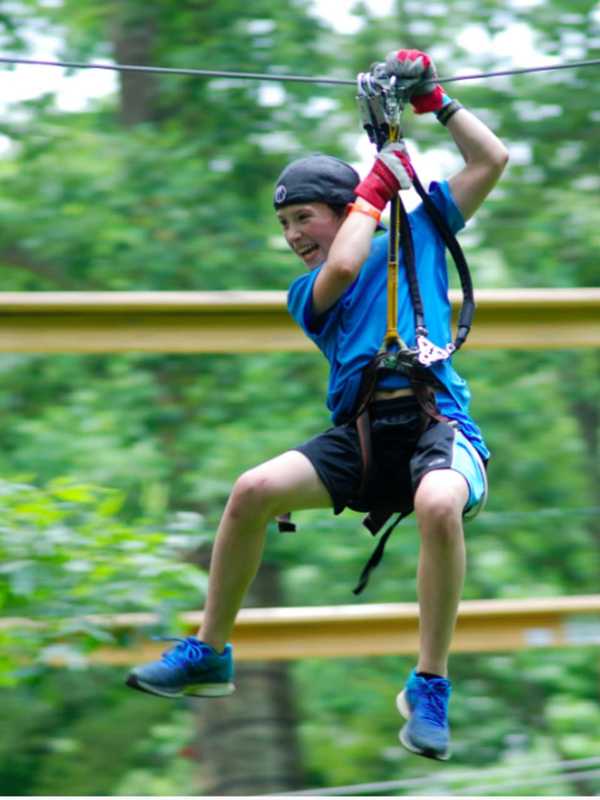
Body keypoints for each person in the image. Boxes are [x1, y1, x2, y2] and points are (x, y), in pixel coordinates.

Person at [126, 48, 508, 762]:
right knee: (252, 491)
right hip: (364, 434)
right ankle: (210, 650)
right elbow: (342, 264)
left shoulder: (421, 229)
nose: (295, 237)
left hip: (437, 425)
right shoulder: (308, 296)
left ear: (341, 209)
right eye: (286, 227)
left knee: (437, 506)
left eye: (304, 218)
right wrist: (372, 191)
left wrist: (435, 102)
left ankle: (430, 683)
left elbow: (492, 161)